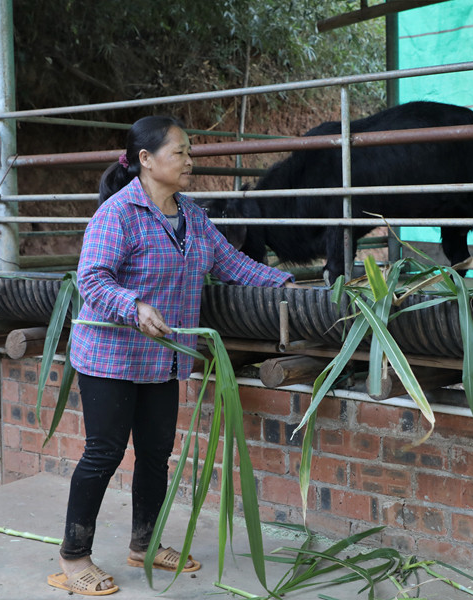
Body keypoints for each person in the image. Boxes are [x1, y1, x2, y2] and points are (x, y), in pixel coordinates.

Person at [47, 115, 299, 596]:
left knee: (157, 453)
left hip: (162, 358)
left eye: (190, 152)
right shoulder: (118, 214)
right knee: (103, 453)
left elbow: (234, 265)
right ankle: (74, 555)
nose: (190, 160)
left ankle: (144, 543)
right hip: (111, 356)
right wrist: (134, 306)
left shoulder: (193, 217)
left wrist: (290, 286)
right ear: (146, 159)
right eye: (180, 152)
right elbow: (93, 280)